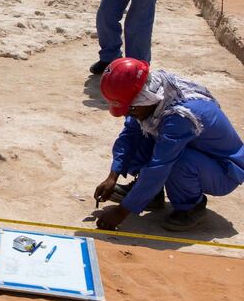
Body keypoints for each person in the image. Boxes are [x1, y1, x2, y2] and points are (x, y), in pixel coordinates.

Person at [94, 58, 244, 232]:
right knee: (140, 133)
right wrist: (113, 176)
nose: (128, 114)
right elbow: (129, 136)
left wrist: (122, 211)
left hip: (222, 171)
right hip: (195, 151)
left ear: (143, 99)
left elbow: (159, 166)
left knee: (177, 162)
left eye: (131, 110)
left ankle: (191, 206)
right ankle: (151, 195)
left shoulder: (179, 117)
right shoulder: (151, 97)